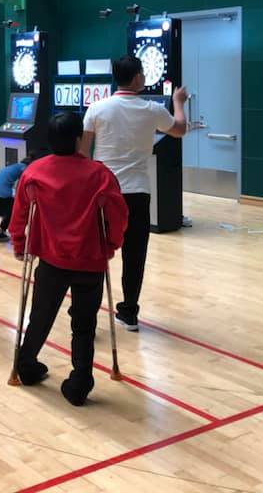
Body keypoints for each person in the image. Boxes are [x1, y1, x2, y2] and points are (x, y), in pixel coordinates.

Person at [9, 112, 128, 406]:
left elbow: (19, 213)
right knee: (84, 324)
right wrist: (111, 245)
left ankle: (26, 365)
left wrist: (19, 243)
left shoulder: (34, 172)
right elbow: (118, 215)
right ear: (79, 139)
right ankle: (80, 382)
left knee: (41, 315)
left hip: (51, 259)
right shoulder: (100, 174)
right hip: (90, 259)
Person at [81, 55, 187, 332]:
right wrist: (178, 102)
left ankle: (87, 313)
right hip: (137, 193)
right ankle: (129, 312)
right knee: (134, 254)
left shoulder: (96, 108)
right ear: (138, 77)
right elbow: (180, 130)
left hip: (103, 192)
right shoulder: (152, 110)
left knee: (95, 252)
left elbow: (82, 152)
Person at [0, 152, 40, 242]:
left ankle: (0, 232)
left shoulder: (13, 167)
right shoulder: (24, 168)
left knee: (12, 208)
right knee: (21, 208)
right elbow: (25, 186)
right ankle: (17, 234)